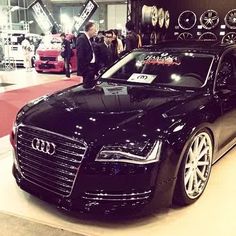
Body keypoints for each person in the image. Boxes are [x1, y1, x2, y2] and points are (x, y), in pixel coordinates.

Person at [76, 22, 97, 89]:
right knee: (87, 87)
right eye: (94, 30)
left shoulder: (88, 39)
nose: (95, 32)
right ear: (90, 29)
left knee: (91, 86)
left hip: (91, 67)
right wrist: (86, 68)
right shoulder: (82, 39)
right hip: (87, 68)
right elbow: (80, 55)